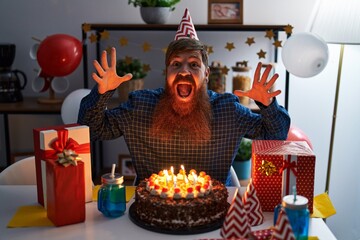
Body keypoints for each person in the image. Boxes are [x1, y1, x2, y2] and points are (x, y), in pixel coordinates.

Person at [78, 9, 290, 186]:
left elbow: (276, 136)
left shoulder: (228, 111)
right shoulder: (141, 106)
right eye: (176, 64)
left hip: (215, 215)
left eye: (194, 64)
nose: (184, 71)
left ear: (207, 74)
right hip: (152, 212)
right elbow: (90, 131)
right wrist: (102, 94)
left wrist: (267, 104)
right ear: (167, 72)